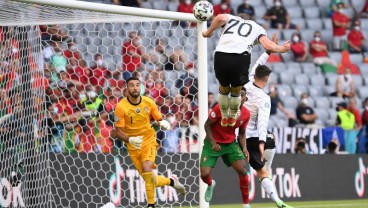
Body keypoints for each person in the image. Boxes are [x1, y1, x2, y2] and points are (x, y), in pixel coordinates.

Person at [202, 13, 290, 127]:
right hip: (240, 57)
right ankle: (232, 116)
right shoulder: (257, 27)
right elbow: (267, 44)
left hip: (221, 54)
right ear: (253, 20)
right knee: (236, 90)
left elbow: (220, 18)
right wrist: (280, 48)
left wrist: (208, 32)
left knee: (223, 88)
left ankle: (224, 116)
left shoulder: (231, 18)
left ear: (239, 17)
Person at [112, 77, 186, 208]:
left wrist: (162, 122)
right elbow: (118, 131)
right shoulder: (121, 107)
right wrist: (130, 139)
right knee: (150, 179)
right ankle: (172, 182)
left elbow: (159, 118)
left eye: (137, 85)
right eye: (131, 85)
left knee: (147, 168)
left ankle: (151, 205)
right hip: (133, 146)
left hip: (148, 141)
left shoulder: (148, 102)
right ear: (126, 88)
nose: (135, 88)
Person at [244, 65, 292, 208]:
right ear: (267, 79)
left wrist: (268, 51)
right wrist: (261, 142)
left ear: (254, 75)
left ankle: (276, 199)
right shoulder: (264, 98)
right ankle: (277, 199)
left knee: (259, 170)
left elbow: (255, 67)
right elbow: (262, 122)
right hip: (253, 138)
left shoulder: (246, 85)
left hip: (238, 137)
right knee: (271, 139)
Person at [200, 87, 251, 207]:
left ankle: (246, 205)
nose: (239, 97)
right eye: (237, 95)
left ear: (244, 98)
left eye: (242, 95)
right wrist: (213, 143)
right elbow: (207, 125)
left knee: (243, 171)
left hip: (230, 144)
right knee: (204, 174)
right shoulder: (220, 108)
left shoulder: (246, 114)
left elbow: (242, 133)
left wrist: (244, 148)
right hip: (212, 144)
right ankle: (210, 184)